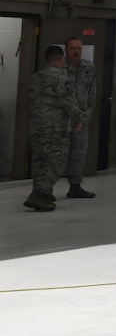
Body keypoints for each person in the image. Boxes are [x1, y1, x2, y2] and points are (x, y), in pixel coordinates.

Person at [22, 46, 69, 212]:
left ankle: (44, 193)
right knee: (55, 161)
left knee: (39, 162)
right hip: (55, 128)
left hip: (36, 128)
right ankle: (39, 194)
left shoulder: (35, 77)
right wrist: (79, 118)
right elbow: (68, 101)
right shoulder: (60, 77)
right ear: (60, 59)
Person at [62, 36, 95, 199]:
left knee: (78, 153)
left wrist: (83, 118)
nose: (76, 51)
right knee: (57, 154)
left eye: (79, 48)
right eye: (72, 48)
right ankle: (45, 189)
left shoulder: (88, 68)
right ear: (66, 50)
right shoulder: (59, 69)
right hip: (61, 119)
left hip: (80, 120)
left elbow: (92, 95)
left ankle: (75, 186)